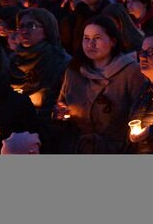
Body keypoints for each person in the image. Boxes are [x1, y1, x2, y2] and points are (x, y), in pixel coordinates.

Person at [55, 15, 144, 154]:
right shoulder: (73, 71)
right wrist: (59, 112)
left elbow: (140, 115)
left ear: (113, 41)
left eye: (97, 38)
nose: (91, 44)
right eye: (86, 38)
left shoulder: (131, 72)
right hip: (78, 147)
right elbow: (62, 103)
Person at [9, 7, 70, 121]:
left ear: (47, 30)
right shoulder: (12, 61)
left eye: (31, 26)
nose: (24, 31)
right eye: (21, 26)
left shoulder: (60, 61)